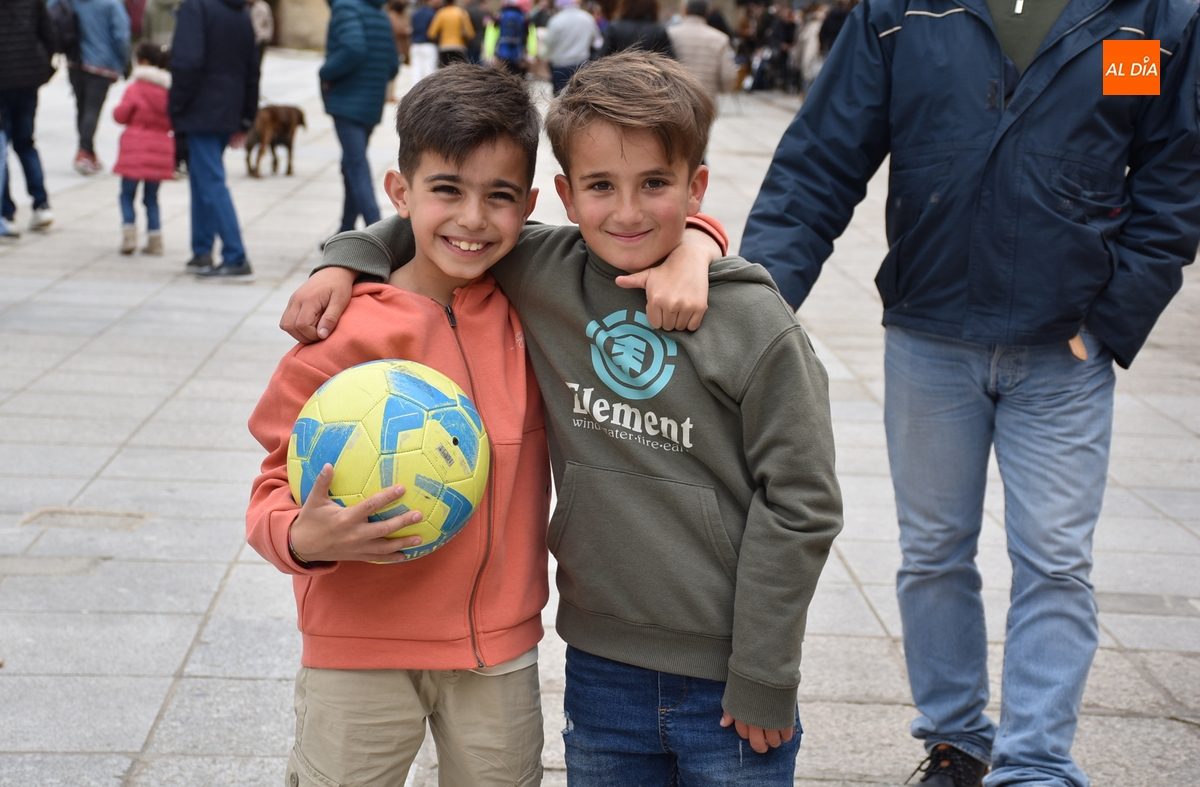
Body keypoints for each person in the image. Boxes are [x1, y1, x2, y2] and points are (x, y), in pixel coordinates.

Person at [288, 51, 843, 784]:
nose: (627, 211)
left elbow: (802, 503)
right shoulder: (545, 270)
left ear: (695, 187)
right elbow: (449, 223)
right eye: (601, 186)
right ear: (565, 197)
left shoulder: (752, 322)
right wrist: (344, 258)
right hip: (602, 665)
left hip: (729, 673)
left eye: (655, 184)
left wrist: (767, 670)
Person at [740, 0, 1200, 785]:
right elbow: (821, 159)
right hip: (930, 332)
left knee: (1056, 562)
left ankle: (1036, 764)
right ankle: (957, 743)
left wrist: (1111, 320)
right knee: (932, 555)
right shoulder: (902, 11)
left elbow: (1174, 178)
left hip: (1065, 347)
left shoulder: (1155, 20)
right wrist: (756, 304)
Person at [248, 65, 554, 787]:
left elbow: (626, 240)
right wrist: (301, 538)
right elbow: (270, 491)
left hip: (496, 651)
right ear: (399, 191)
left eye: (499, 196)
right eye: (446, 189)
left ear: (530, 204)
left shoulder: (536, 310)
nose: (472, 219)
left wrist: (699, 240)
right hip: (358, 648)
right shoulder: (342, 330)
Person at [169, 0, 259, 279]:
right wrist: (246, 116)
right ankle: (202, 251)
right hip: (228, 107)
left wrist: (176, 104)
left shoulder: (196, 7)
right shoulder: (241, 12)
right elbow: (253, 67)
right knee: (201, 178)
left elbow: (187, 60)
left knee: (210, 181)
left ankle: (235, 256)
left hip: (202, 107)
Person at [320, 0, 399, 237]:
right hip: (371, 103)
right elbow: (393, 64)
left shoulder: (346, 8)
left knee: (356, 165)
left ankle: (379, 234)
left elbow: (353, 49)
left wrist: (325, 72)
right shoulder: (379, 12)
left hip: (348, 101)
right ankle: (345, 229)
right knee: (350, 164)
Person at [53, 0, 130, 175]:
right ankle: (83, 151)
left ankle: (89, 153)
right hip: (101, 63)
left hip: (75, 62)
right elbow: (121, 36)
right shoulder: (110, 4)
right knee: (92, 110)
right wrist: (124, 62)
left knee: (82, 108)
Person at [112, 41, 174, 255]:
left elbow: (121, 115)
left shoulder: (135, 88)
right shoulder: (168, 91)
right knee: (151, 198)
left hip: (134, 149)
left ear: (143, 62)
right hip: (159, 150)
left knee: (126, 195)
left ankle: (129, 236)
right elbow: (173, 121)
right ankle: (155, 240)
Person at [0, 0, 56, 232]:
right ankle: (41, 204)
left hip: (3, 78)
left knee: (2, 147)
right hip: (28, 76)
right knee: (25, 142)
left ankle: (6, 210)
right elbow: (49, 34)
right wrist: (43, 65)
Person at [666, 0, 736, 101]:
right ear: (707, 12)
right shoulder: (720, 38)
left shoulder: (670, 33)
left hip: (677, 99)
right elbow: (728, 77)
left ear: (685, 10)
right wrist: (717, 88)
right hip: (706, 99)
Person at [542, 0, 598, 94]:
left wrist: (543, 55)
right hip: (582, 64)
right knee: (581, 96)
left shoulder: (556, 20)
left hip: (560, 66)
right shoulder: (587, 18)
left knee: (560, 98)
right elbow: (597, 41)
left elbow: (549, 43)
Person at [598, 0, 673, 57]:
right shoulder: (658, 30)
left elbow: (601, 57)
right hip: (650, 72)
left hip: (620, 71)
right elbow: (670, 59)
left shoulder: (615, 28)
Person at [427, 0, 475, 66]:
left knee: (446, 69)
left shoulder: (441, 13)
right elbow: (470, 34)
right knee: (459, 70)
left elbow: (431, 33)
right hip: (459, 46)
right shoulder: (462, 12)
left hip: (444, 47)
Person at [384, 0, 412, 101]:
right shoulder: (392, 15)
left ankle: (390, 94)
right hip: (394, 48)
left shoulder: (397, 15)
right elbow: (400, 29)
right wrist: (407, 30)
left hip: (397, 48)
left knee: (394, 72)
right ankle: (388, 95)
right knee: (391, 72)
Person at [493, 0, 528, 75]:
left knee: (502, 73)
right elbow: (526, 33)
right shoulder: (522, 15)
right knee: (517, 74)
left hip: (503, 48)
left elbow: (494, 27)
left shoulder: (501, 14)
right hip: (518, 49)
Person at [409, 0, 440, 81]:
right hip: (428, 45)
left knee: (416, 72)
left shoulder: (415, 13)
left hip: (415, 45)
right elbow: (433, 33)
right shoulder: (432, 13)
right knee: (429, 73)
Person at [249, 0, 274, 70]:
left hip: (260, 39)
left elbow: (269, 22)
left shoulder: (263, 6)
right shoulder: (244, 6)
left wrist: (266, 36)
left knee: (256, 64)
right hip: (248, 39)